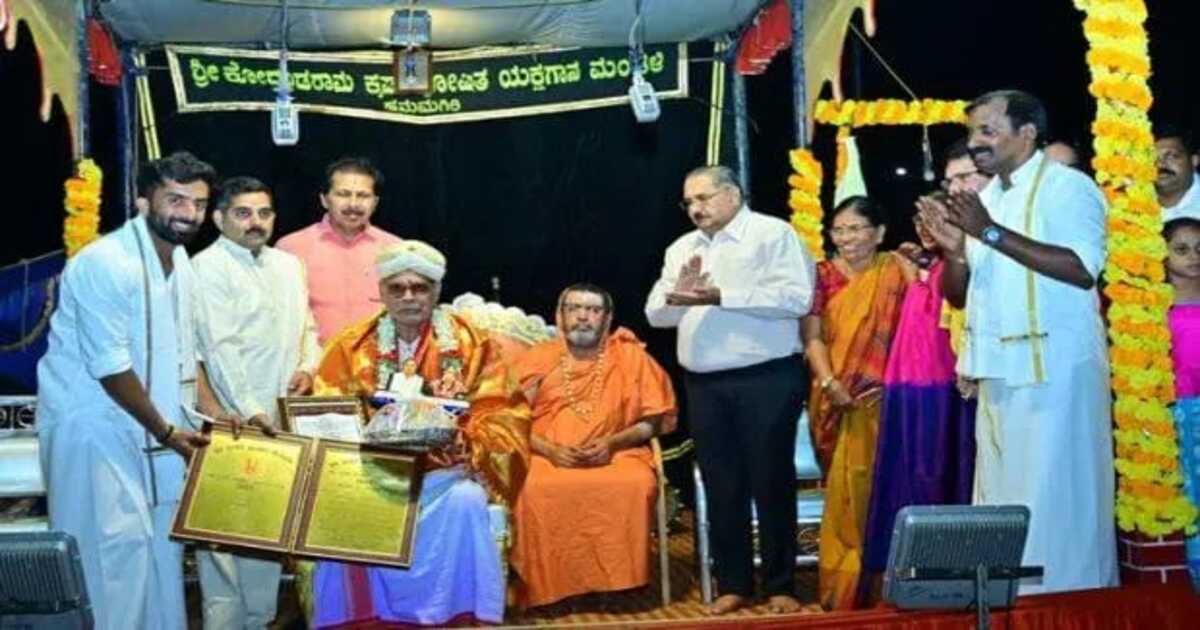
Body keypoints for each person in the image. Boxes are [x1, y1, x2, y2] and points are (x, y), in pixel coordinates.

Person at [919, 89, 1117, 594]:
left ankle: (1069, 605)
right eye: (971, 132)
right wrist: (954, 253)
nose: (975, 142)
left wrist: (987, 233)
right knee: (1004, 498)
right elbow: (959, 297)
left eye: (987, 130)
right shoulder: (988, 199)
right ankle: (1012, 604)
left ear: (1027, 133)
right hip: (999, 371)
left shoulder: (1068, 188)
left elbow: (1081, 269)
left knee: (1056, 497)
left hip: (1056, 371)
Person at [36, 151, 219, 629]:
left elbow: (185, 354)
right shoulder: (106, 262)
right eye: (176, 200)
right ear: (142, 201)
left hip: (153, 430)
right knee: (110, 560)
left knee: (158, 557)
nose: (189, 213)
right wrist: (167, 432)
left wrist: (216, 416)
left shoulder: (179, 261)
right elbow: (111, 367)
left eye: (199, 203)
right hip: (98, 432)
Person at [306, 239, 530, 626]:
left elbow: (505, 414)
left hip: (446, 473)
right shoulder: (351, 346)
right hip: (373, 475)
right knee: (343, 506)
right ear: (381, 292)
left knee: (467, 501)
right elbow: (328, 414)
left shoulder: (472, 343)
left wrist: (466, 440)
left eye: (419, 287)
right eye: (397, 288)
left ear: (436, 291)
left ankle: (455, 614)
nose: (408, 297)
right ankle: (365, 617)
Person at [645, 165, 815, 615]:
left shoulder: (773, 234)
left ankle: (781, 585)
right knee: (721, 484)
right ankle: (733, 583)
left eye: (703, 198)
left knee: (770, 480)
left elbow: (798, 299)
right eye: (688, 202)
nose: (695, 209)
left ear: (733, 194)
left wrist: (720, 294)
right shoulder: (682, 248)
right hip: (704, 383)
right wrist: (678, 297)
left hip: (766, 378)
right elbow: (655, 314)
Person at [191, 176, 322, 628]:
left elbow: (307, 327)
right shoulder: (206, 268)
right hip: (231, 419)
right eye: (243, 213)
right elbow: (219, 348)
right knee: (223, 535)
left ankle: (261, 620)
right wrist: (251, 410)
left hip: (280, 417)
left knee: (266, 527)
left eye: (264, 213)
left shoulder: (288, 265)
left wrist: (308, 366)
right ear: (219, 219)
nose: (256, 222)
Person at [510, 283, 677, 608]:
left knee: (635, 483)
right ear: (560, 316)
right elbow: (510, 420)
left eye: (593, 310)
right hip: (545, 455)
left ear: (608, 318)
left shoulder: (631, 358)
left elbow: (654, 421)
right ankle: (551, 587)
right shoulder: (537, 359)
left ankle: (617, 586)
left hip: (619, 453)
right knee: (534, 487)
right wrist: (550, 450)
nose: (583, 317)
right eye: (574, 308)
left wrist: (613, 443)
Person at [862, 160, 983, 583]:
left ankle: (946, 567)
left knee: (939, 472)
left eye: (936, 218)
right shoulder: (923, 264)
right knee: (906, 473)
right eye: (920, 220)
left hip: (942, 388)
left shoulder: (959, 267)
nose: (925, 228)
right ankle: (907, 567)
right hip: (906, 388)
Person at [801, 196, 912, 609]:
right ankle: (846, 585)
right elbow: (812, 337)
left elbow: (917, 329)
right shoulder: (821, 275)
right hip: (835, 398)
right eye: (839, 230)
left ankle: (886, 582)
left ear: (879, 233)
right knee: (844, 492)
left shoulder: (897, 269)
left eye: (855, 228)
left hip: (891, 400)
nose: (845, 238)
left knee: (885, 488)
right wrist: (830, 383)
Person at [276, 156, 402, 343]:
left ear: (375, 203)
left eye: (363, 196)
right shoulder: (290, 248)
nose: (353, 204)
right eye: (343, 194)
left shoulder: (396, 250)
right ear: (324, 200)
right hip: (314, 359)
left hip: (379, 357)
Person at [1165, 217, 1200, 588]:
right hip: (1179, 419)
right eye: (1181, 249)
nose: (1194, 257)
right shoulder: (1152, 304)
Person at [1155, 126, 1200, 222]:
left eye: (1171, 156)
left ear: (1194, 160)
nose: (1159, 164)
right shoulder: (1127, 200)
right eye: (1151, 157)